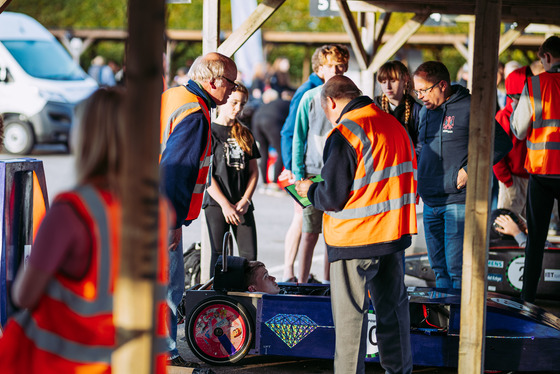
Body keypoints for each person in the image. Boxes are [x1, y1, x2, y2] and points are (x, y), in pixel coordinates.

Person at [0, 88, 169, 373]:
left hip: (75, 361)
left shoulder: (71, 210)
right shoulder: (157, 208)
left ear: (87, 135)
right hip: (136, 359)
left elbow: (24, 296)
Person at [295, 75, 416, 374]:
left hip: (355, 240)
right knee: (393, 311)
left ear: (331, 102)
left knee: (351, 320)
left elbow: (332, 196)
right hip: (392, 234)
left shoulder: (346, 132)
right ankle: (399, 370)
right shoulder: (393, 124)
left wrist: (308, 190)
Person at [160, 52, 237, 367]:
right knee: (168, 287)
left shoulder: (175, 97)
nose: (233, 90)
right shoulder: (195, 112)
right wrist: (173, 222)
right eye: (231, 83)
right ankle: (165, 351)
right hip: (161, 214)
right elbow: (175, 172)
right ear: (214, 81)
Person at [413, 61, 512, 289]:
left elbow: (501, 143)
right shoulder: (426, 113)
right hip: (430, 201)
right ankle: (445, 322)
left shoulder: (470, 107)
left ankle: (458, 323)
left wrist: (470, 170)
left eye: (424, 90)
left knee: (457, 270)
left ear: (442, 85)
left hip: (457, 201)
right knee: (438, 270)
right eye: (416, 91)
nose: (420, 97)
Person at [292, 44, 350, 283]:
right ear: (320, 69)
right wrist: (298, 174)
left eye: (340, 65)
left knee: (332, 234)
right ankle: (302, 282)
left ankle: (328, 283)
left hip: (337, 174)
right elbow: (299, 137)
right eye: (330, 66)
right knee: (309, 233)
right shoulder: (309, 97)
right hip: (312, 173)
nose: (336, 69)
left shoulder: (351, 98)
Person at [511, 35, 560, 303]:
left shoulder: (536, 84)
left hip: (542, 173)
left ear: (548, 57)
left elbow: (518, 131)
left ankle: (527, 298)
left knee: (536, 239)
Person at [204, 82, 260, 277]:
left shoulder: (245, 133)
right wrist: (224, 205)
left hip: (242, 204)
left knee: (249, 256)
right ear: (223, 101)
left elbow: (254, 171)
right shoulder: (209, 131)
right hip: (217, 203)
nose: (238, 108)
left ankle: (246, 299)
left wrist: (245, 200)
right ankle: (215, 300)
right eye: (234, 102)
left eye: (242, 104)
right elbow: (206, 174)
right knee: (219, 255)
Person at [493, 65, 533, 219]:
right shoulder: (503, 117)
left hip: (528, 178)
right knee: (507, 223)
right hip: (512, 179)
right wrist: (508, 182)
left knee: (525, 225)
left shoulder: (530, 115)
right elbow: (496, 154)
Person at [374, 60, 421, 145]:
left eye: (393, 81)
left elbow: (420, 144)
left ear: (405, 79)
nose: (388, 87)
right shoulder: (373, 108)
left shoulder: (417, 111)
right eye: (383, 82)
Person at [251, 88, 289, 193]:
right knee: (281, 152)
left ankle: (264, 183)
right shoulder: (287, 103)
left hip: (256, 120)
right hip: (272, 120)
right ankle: (274, 183)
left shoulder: (264, 105)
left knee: (263, 153)